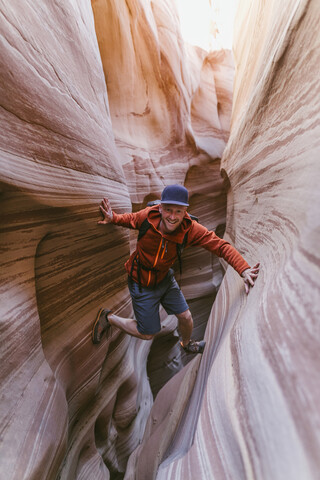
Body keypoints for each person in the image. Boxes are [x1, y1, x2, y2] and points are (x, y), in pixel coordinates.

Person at [92, 184, 259, 353]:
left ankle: (186, 344)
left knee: (186, 317)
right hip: (140, 282)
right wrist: (112, 217)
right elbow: (130, 219)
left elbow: (220, 246)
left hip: (164, 279)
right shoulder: (148, 217)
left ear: (186, 210)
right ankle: (108, 318)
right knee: (147, 333)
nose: (172, 216)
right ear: (161, 207)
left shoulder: (190, 229)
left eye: (178, 211)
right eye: (168, 210)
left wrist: (243, 269)